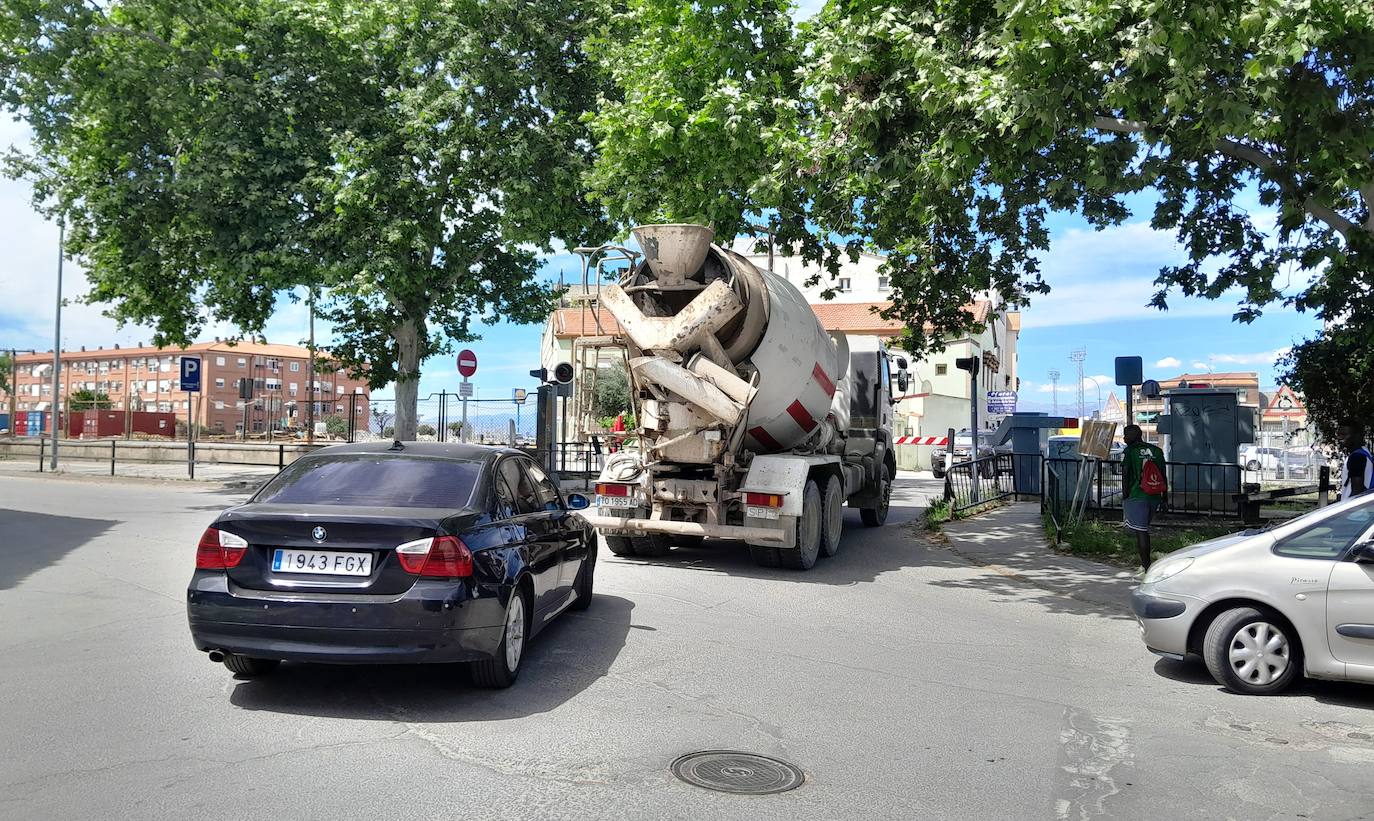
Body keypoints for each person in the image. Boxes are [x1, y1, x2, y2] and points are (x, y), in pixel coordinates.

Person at [1121, 424, 1166, 570]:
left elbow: (1126, 474)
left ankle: (1146, 567)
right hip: (1154, 495)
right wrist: (1165, 497)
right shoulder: (1157, 451)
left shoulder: (1130, 451)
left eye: (1126, 435)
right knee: (1144, 528)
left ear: (1133, 436)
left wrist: (1125, 495)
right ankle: (1146, 565)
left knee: (1141, 531)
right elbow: (1163, 475)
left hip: (1137, 494)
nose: (1124, 438)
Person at [1337, 418, 1372, 500]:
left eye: (1344, 434)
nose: (1340, 438)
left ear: (1356, 436)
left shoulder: (1356, 457)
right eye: (1339, 434)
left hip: (1356, 511)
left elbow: (1357, 492)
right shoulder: (1365, 452)